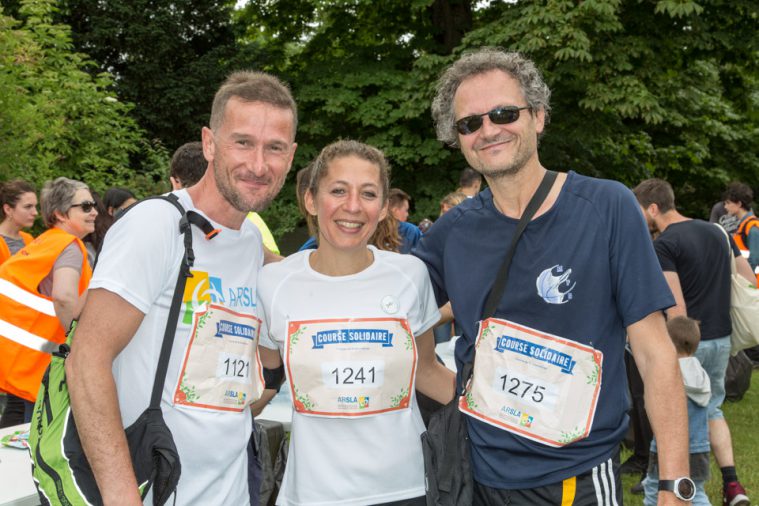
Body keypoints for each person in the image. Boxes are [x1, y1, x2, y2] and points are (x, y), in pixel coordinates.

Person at [414, 47, 689, 504]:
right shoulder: (451, 234)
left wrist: (674, 486)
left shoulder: (607, 207)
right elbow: (397, 320)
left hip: (575, 478)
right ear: (457, 137)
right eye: (471, 123)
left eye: (504, 113)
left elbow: (655, 353)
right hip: (475, 477)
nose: (488, 130)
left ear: (538, 116)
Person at [66, 70, 298, 505]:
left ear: (292, 155)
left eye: (275, 148)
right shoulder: (157, 225)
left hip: (231, 489)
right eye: (242, 142)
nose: (258, 164)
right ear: (209, 143)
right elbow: (86, 362)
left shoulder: (250, 243)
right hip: (153, 488)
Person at [257, 139, 454, 505]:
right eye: (338, 191)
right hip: (312, 494)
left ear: (382, 209)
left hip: (405, 489)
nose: (353, 207)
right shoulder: (274, 283)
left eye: (368, 193)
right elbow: (265, 378)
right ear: (312, 200)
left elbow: (427, 371)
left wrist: (500, 411)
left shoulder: (410, 275)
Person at [634, 178, 753, 506]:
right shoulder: (716, 231)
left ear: (654, 208)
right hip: (722, 337)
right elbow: (747, 278)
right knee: (712, 407)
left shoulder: (665, 245)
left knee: (675, 415)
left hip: (689, 344)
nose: (640, 219)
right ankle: (732, 485)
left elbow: (677, 311)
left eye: (641, 211)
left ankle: (676, 484)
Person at [0, 177, 95, 428]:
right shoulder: (69, 247)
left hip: (28, 356)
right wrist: (79, 341)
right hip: (45, 359)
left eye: (93, 205)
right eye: (85, 206)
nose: (94, 211)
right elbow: (63, 296)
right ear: (61, 214)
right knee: (42, 433)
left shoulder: (44, 241)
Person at [643, 316, 711, 506]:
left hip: (667, 447)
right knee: (695, 491)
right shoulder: (701, 373)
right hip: (699, 447)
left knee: (654, 487)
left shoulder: (670, 374)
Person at [723, 181, 759, 280]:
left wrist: (746, 283)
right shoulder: (744, 226)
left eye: (728, 203)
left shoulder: (752, 227)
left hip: (753, 288)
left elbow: (755, 260)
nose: (725, 207)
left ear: (739, 204)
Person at [0, 179, 37, 264]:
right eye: (28, 207)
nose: (35, 213)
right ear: (8, 209)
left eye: (35, 206)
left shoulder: (29, 239)